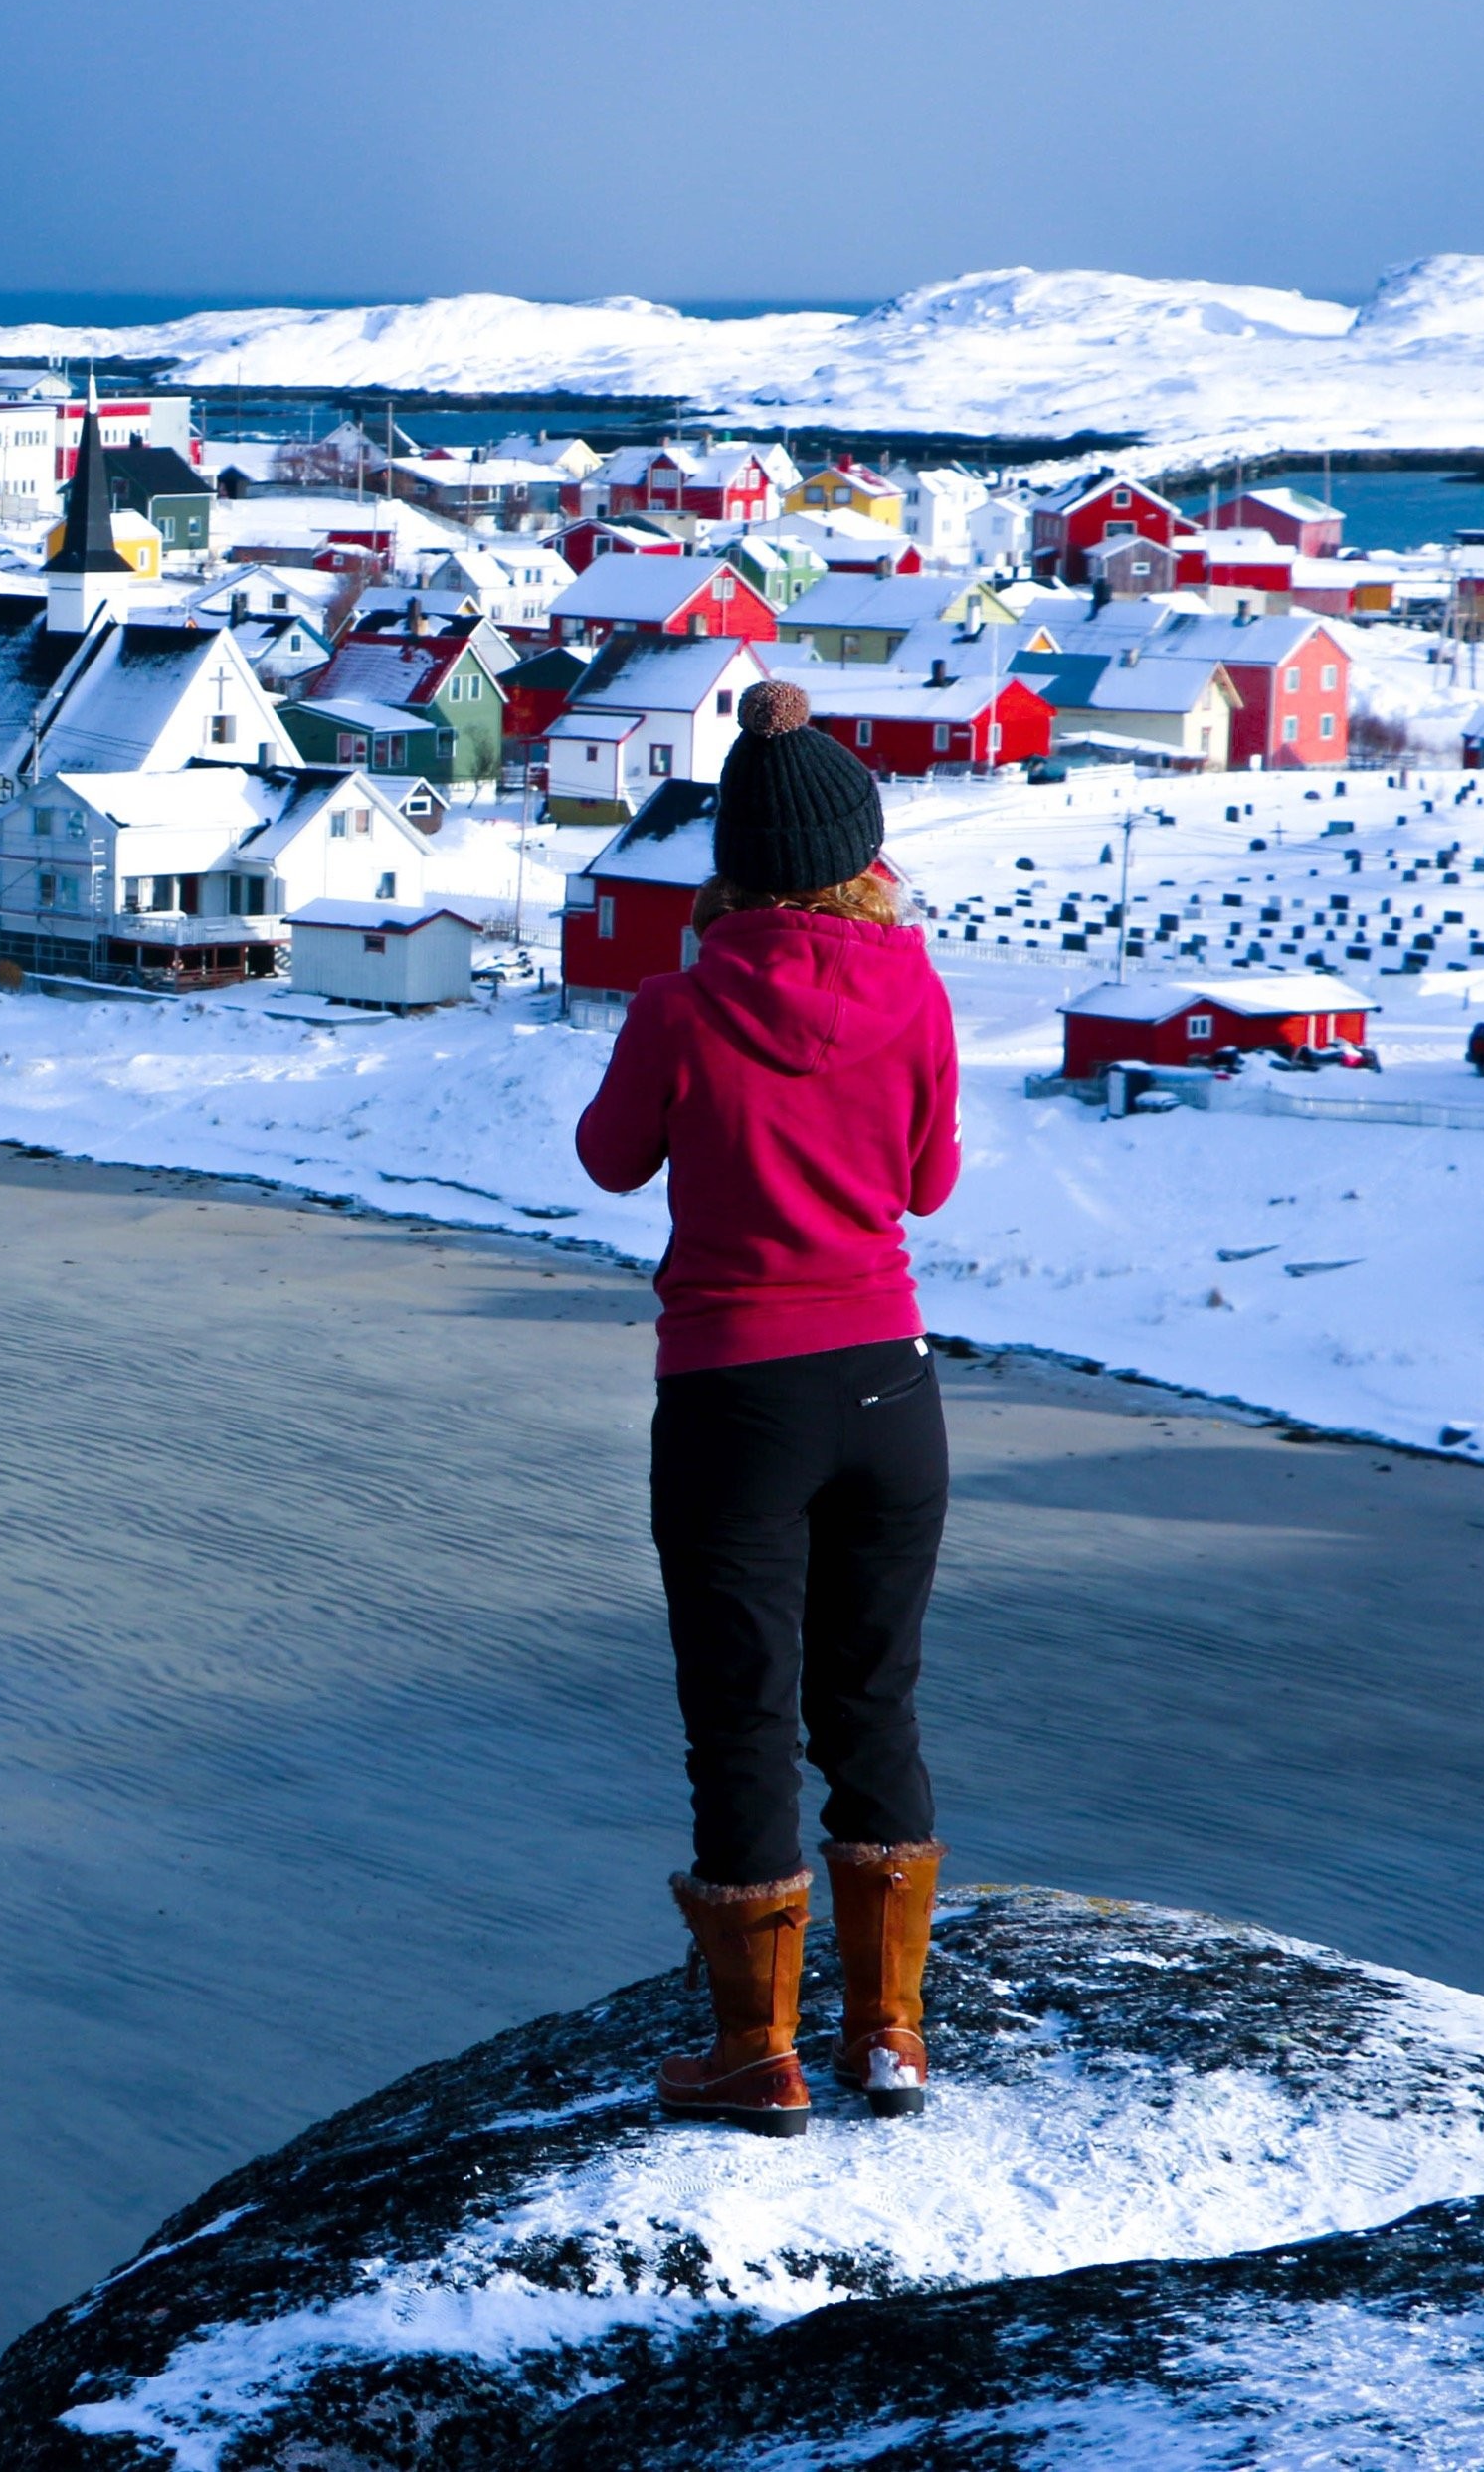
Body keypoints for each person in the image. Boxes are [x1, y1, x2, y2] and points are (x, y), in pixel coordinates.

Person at [574, 679, 957, 2137]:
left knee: (742, 1716)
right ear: (865, 853)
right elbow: (928, 1184)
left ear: (729, 857)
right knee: (875, 1701)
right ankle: (892, 2034)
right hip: (888, 1383)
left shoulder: (681, 1004)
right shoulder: (912, 988)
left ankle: (759, 2051)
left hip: (736, 1396)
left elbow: (612, 1160)